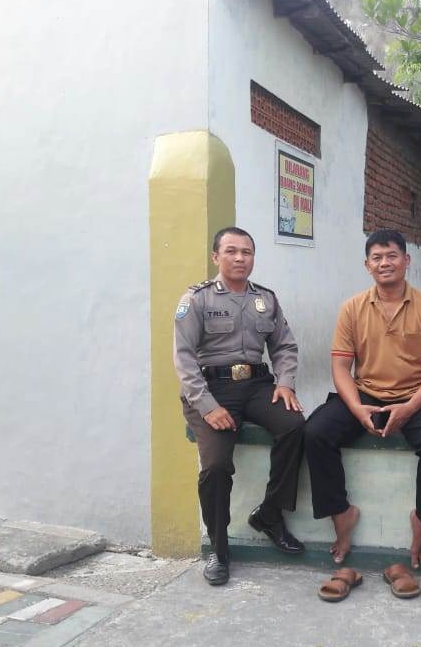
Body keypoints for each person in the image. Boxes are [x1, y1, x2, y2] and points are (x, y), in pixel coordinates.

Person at [304, 229, 421, 572]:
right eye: (377, 257)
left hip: (417, 395)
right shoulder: (352, 308)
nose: (384, 263)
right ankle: (341, 515)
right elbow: (340, 367)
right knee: (315, 433)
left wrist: (410, 408)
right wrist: (356, 408)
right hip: (365, 394)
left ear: (406, 260)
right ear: (367, 265)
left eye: (392, 256)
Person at [173, 226, 306, 586]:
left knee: (294, 426)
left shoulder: (266, 299)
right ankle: (219, 549)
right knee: (216, 465)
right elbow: (184, 359)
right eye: (231, 251)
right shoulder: (197, 300)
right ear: (216, 256)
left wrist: (284, 383)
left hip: (257, 385)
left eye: (246, 252)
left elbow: (284, 346)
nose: (239, 258)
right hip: (211, 389)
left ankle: (270, 514)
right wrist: (207, 406)